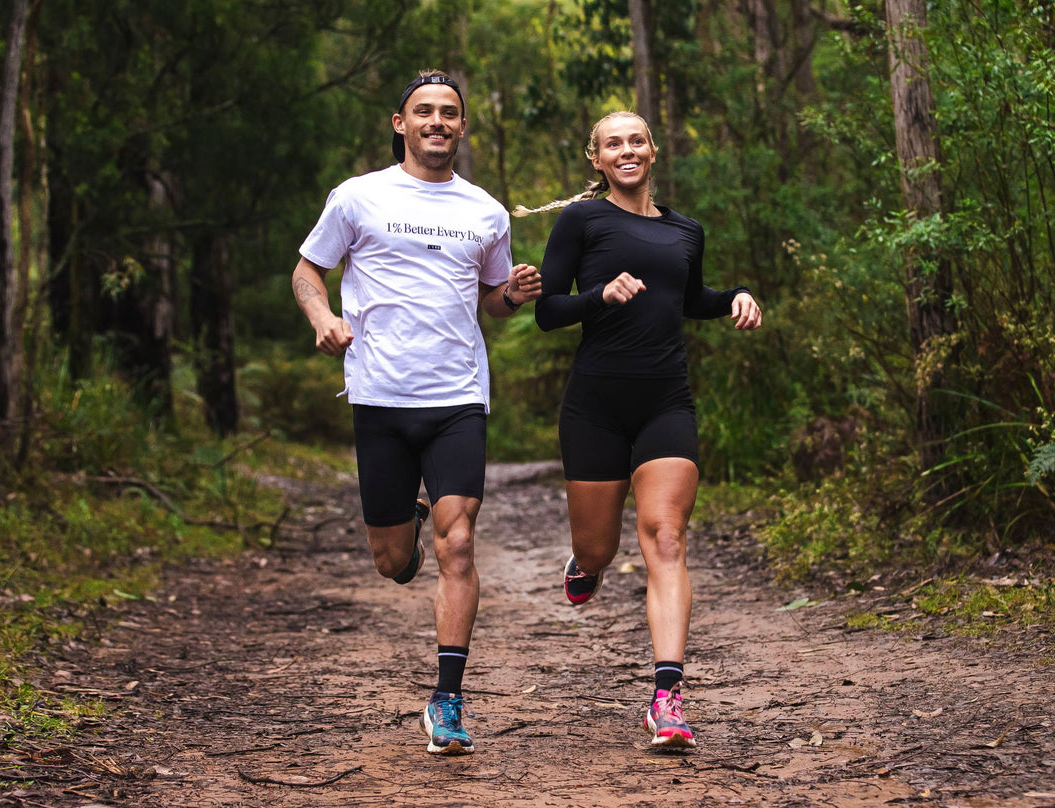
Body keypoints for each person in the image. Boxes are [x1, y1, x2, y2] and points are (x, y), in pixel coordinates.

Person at [292, 69, 542, 756]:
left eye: (450, 113)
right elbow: (308, 271)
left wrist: (513, 295)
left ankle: (448, 701)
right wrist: (320, 314)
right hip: (379, 395)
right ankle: (406, 517)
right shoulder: (358, 197)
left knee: (457, 544)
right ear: (399, 123)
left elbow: (491, 299)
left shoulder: (486, 211)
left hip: (457, 395)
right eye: (424, 111)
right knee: (390, 558)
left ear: (463, 127)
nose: (437, 121)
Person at [520, 111, 761, 749]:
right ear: (595, 160)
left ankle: (667, 695)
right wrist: (599, 295)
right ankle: (587, 563)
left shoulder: (686, 230)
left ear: (653, 151)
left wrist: (734, 295)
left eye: (636, 140)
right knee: (600, 549)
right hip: (595, 406)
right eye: (612, 144)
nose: (626, 151)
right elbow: (548, 312)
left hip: (666, 402)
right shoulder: (581, 220)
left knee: (667, 539)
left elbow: (688, 299)